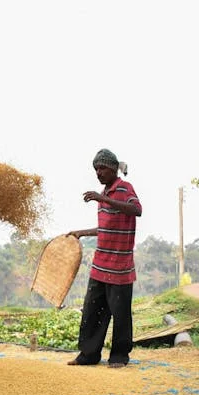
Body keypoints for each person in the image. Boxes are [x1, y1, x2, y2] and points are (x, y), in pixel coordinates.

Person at [67, 149, 142, 368]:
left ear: (113, 169)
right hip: (100, 265)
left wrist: (101, 198)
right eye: (96, 169)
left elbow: (136, 209)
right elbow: (106, 228)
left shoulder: (124, 189)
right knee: (92, 311)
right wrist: (82, 232)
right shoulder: (105, 194)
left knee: (120, 314)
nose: (98, 173)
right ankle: (88, 355)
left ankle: (119, 356)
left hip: (120, 267)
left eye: (102, 169)